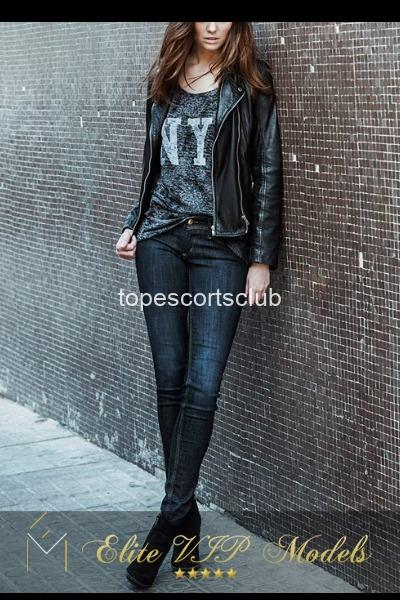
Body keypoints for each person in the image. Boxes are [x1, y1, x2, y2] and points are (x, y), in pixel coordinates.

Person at [115, 21, 283, 588]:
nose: (213, 25)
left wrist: (261, 258)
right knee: (170, 380)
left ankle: (167, 521)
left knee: (202, 385)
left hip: (222, 246)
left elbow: (267, 171)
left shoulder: (251, 82)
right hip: (160, 240)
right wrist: (133, 223)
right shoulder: (164, 78)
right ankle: (185, 517)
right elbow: (152, 166)